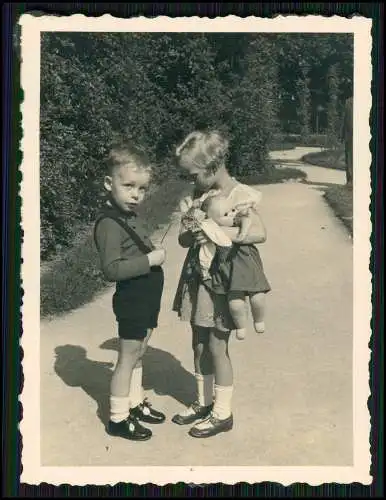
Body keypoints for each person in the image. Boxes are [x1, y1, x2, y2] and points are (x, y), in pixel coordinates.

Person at [172, 130, 271, 438]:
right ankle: (203, 402)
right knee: (198, 341)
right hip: (198, 277)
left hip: (222, 280)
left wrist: (221, 231)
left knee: (217, 344)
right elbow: (183, 239)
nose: (191, 181)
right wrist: (192, 222)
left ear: (212, 168)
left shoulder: (239, 196)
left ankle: (222, 412)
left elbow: (259, 233)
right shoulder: (201, 197)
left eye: (193, 175)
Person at [94, 143, 166, 441]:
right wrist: (149, 260)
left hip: (147, 293)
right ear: (109, 184)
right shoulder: (109, 223)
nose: (136, 194)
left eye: (142, 188)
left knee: (140, 351)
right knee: (127, 357)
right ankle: (118, 418)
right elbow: (111, 269)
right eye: (129, 186)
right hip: (133, 295)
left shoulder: (130, 216)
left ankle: (134, 403)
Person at [180, 191, 266, 340]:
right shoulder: (206, 226)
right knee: (235, 300)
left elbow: (247, 222)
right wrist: (192, 209)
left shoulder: (233, 220)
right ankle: (242, 326)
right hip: (225, 266)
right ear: (211, 219)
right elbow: (188, 228)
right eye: (225, 214)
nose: (231, 215)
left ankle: (259, 320)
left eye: (231, 210)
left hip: (245, 262)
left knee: (257, 294)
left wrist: (241, 233)